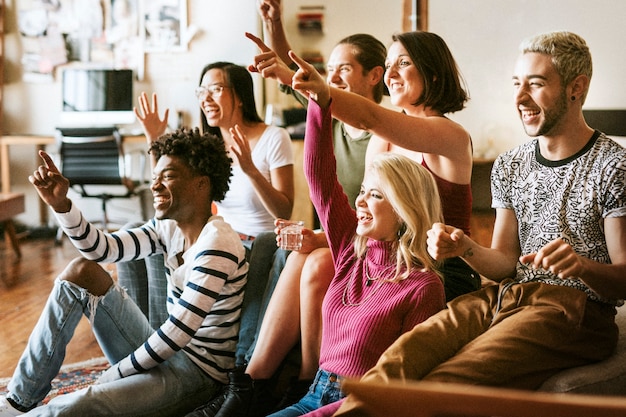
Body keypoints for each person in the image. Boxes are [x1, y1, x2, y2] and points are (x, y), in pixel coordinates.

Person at [332, 30, 626, 417]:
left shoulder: (613, 165)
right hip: (505, 295)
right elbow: (505, 262)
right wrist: (464, 248)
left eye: (535, 85)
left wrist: (582, 266)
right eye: (517, 84)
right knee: (399, 361)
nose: (520, 98)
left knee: (448, 381)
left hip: (573, 309)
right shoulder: (511, 163)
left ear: (576, 87)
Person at [206, 26, 481, 416]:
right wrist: (318, 236)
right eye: (389, 65)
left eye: (404, 63)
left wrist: (296, 80)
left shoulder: (449, 135)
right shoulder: (384, 139)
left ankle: (303, 384)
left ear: (433, 75)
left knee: (319, 261)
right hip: (384, 253)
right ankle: (261, 381)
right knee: (307, 258)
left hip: (437, 267)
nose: (391, 74)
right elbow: (360, 214)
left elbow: (369, 116)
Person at [0, 129, 248, 416]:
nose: (154, 186)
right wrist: (61, 205)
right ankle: (18, 401)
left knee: (83, 403)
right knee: (82, 271)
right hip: (167, 355)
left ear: (201, 184)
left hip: (197, 375)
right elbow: (101, 249)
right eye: (155, 177)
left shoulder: (218, 243)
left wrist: (113, 374)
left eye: (167, 176)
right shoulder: (167, 228)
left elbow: (178, 333)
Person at [116, 61, 295, 368]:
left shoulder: (273, 137)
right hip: (207, 241)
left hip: (254, 249)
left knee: (255, 242)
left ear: (239, 95)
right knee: (142, 231)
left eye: (216, 89)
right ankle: (146, 339)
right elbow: (168, 193)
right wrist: (154, 140)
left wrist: (250, 168)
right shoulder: (206, 144)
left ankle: (167, 351)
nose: (206, 98)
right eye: (202, 91)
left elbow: (284, 209)